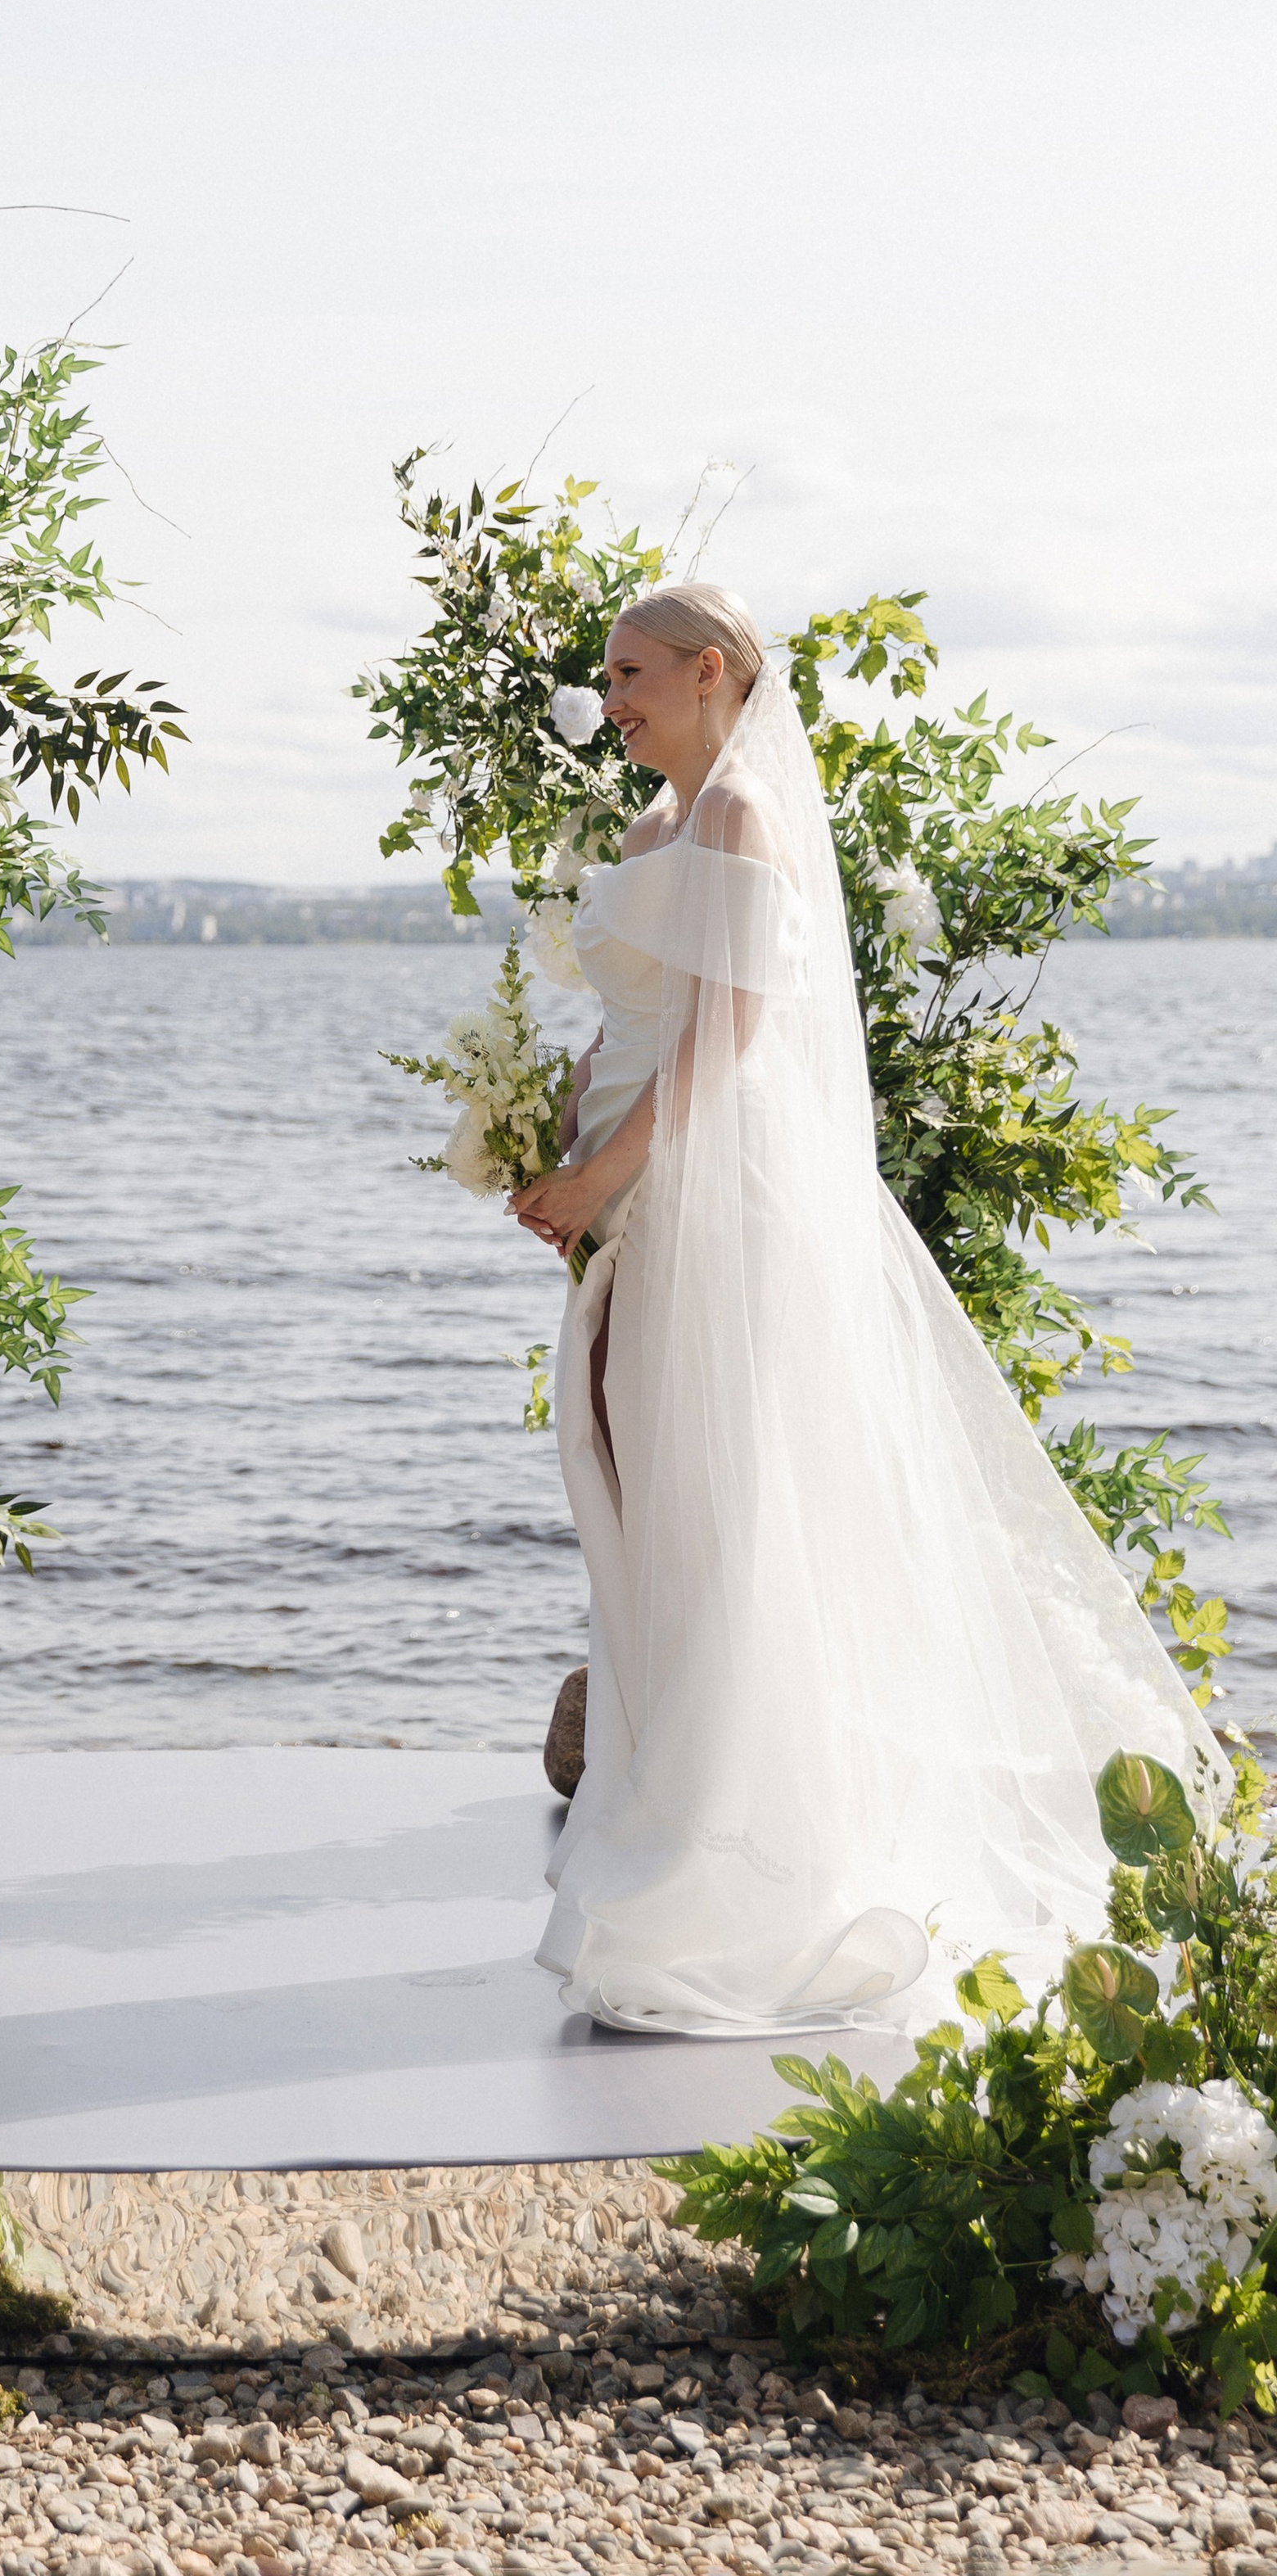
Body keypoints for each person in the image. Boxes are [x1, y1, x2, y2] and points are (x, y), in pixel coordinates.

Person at [509, 581, 1225, 2036]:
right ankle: (661, 1835)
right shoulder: (655, 828)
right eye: (611, 674)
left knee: (726, 1514)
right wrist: (563, 1126)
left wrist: (607, 1176)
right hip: (641, 1194)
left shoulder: (742, 824)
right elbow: (637, 1021)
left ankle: (744, 1875)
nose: (616, 696)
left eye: (633, 672)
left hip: (718, 1199)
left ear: (713, 673)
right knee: (641, 1503)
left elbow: (727, 1039)